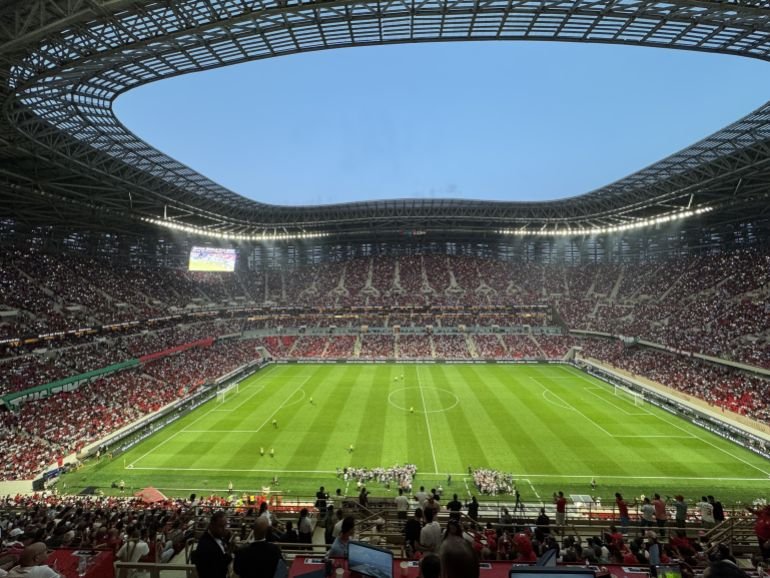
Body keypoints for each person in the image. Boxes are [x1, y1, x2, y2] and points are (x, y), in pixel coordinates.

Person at [192, 511, 232, 578]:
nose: (224, 529)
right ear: (211, 526)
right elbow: (217, 567)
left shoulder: (217, 535)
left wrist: (228, 540)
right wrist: (229, 554)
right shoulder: (205, 546)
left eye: (225, 525)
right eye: (221, 526)